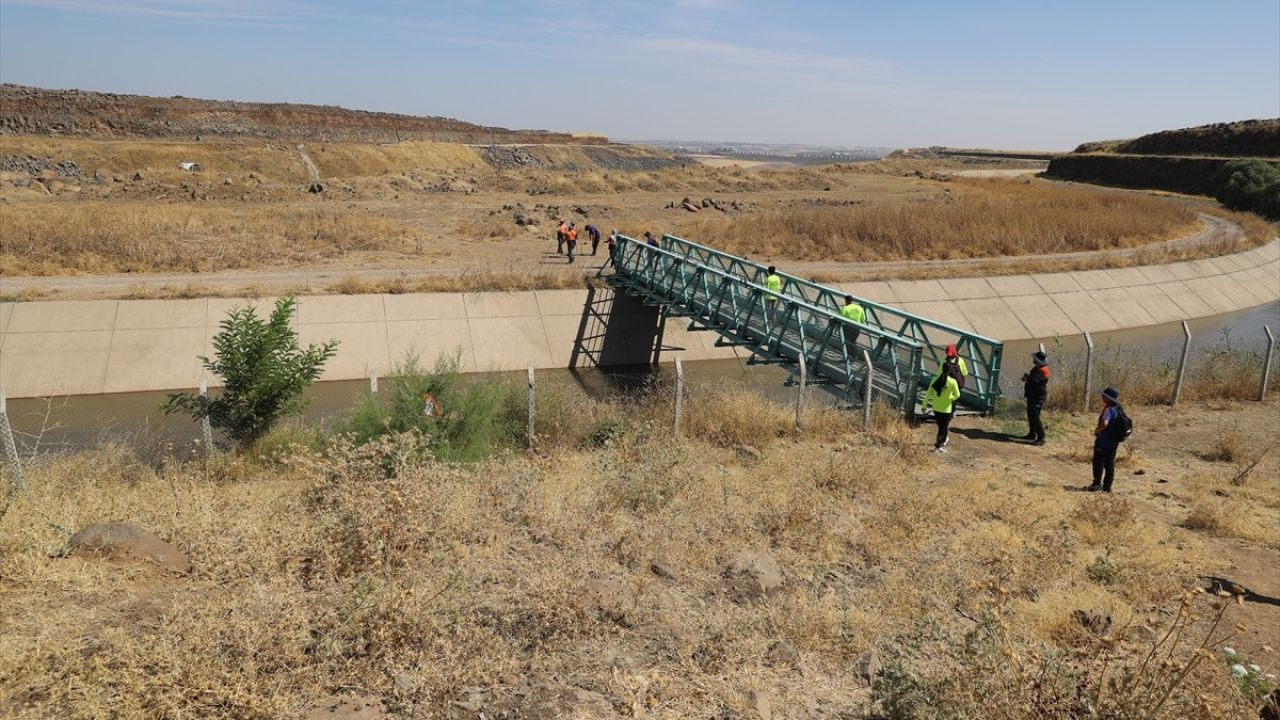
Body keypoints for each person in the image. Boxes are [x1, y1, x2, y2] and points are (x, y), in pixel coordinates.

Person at [1089, 386, 1123, 492]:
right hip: (1113, 442)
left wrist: (1097, 430)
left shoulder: (1108, 409)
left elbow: (1104, 423)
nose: (1102, 397)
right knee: (1110, 464)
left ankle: (1096, 484)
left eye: (1104, 396)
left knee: (1098, 463)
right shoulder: (1118, 408)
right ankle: (1107, 487)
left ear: (1109, 398)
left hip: (1103, 442)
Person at [924, 369, 961, 453]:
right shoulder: (952, 382)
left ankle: (940, 444)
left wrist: (924, 404)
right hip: (946, 409)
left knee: (941, 427)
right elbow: (957, 395)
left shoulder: (935, 379)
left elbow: (929, 393)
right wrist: (950, 398)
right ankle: (939, 446)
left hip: (936, 408)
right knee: (943, 428)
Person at [1021, 350, 1051, 445]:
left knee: (1035, 417)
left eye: (1034, 358)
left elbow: (1034, 381)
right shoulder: (1037, 368)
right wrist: (1027, 378)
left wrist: (1026, 379)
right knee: (1031, 415)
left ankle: (1041, 438)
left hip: (1038, 397)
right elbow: (1032, 379)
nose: (1033, 359)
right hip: (1033, 395)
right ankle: (1032, 434)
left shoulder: (1042, 370)